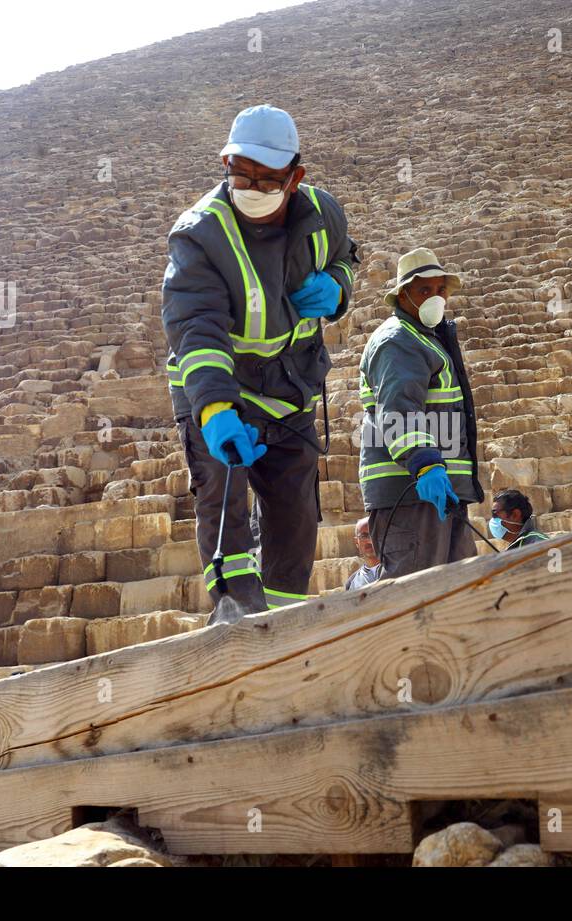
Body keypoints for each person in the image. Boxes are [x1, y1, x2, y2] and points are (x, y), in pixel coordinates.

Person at [162, 104, 360, 621]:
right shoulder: (199, 234)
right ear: (225, 162)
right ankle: (237, 617)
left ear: (295, 177)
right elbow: (195, 326)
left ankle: (287, 622)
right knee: (222, 497)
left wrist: (337, 287)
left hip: (290, 388)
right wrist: (214, 409)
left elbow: (345, 255)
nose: (250, 185)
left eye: (267, 178)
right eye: (240, 172)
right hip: (220, 389)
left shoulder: (323, 214)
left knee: (294, 516)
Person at [359, 248, 483, 579]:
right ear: (403, 295)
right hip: (412, 492)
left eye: (440, 289)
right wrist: (425, 462)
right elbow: (398, 409)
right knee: (419, 605)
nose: (436, 298)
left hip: (437, 492)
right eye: (424, 290)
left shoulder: (425, 339)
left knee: (458, 599)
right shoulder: (399, 340)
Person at [344, 516, 383, 590]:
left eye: (374, 534)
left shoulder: (396, 569)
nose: (370, 540)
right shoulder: (352, 583)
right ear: (356, 542)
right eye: (364, 536)